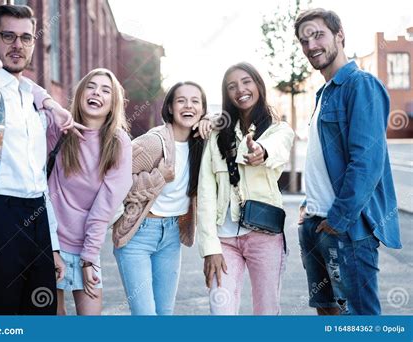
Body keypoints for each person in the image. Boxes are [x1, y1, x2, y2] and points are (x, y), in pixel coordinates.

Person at [0, 5, 83, 314]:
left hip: (36, 218)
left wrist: (50, 245)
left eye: (26, 37)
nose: (18, 45)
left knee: (42, 319)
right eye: (8, 36)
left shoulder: (32, 97)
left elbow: (40, 181)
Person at [294, 8, 401, 315]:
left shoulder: (360, 85)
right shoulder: (324, 93)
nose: (311, 45)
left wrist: (338, 220)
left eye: (318, 35)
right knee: (328, 313)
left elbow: (366, 163)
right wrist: (307, 207)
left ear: (339, 35)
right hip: (315, 223)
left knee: (360, 320)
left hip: (345, 229)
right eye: (304, 40)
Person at [197, 62, 294, 315]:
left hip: (265, 235)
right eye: (232, 86)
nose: (240, 89)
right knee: (221, 311)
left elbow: (277, 148)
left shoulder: (278, 130)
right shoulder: (216, 134)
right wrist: (210, 248)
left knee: (266, 311)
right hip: (224, 240)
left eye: (246, 81)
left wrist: (260, 152)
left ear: (258, 85)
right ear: (226, 94)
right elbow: (206, 193)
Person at [36, 68, 132, 315]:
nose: (96, 93)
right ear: (80, 94)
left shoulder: (118, 142)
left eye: (105, 90)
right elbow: (24, 89)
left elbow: (105, 206)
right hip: (49, 243)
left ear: (113, 104)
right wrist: (53, 106)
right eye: (91, 86)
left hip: (86, 247)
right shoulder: (60, 129)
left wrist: (89, 257)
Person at [112, 81, 211, 315]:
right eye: (181, 100)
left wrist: (214, 120)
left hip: (171, 236)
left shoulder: (201, 142)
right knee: (146, 316)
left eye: (195, 101)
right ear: (169, 108)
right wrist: (158, 177)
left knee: (164, 315)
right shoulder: (153, 142)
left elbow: (228, 124)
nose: (188, 106)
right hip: (138, 235)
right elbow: (116, 182)